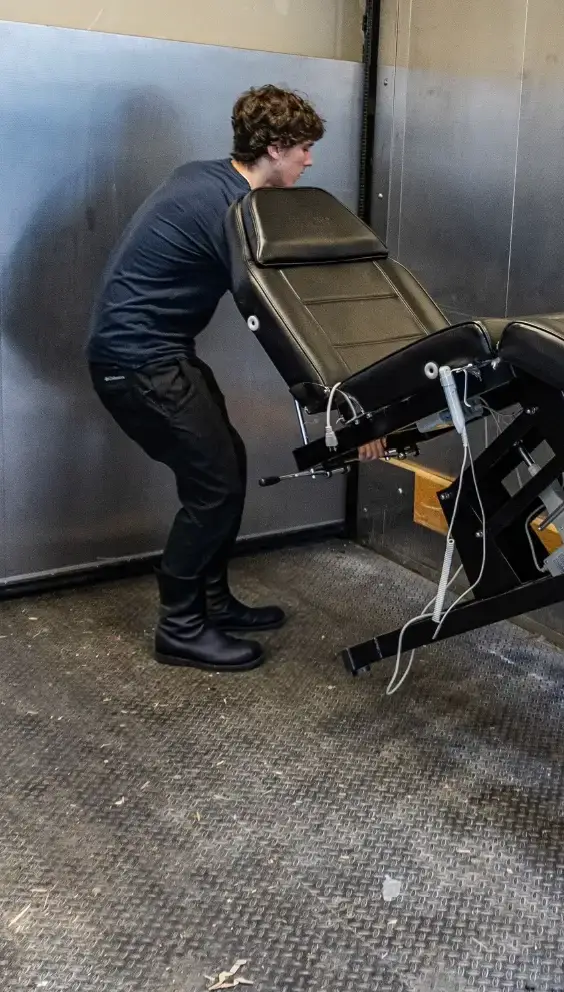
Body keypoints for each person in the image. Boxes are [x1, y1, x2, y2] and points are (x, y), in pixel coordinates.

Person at [87, 85, 385, 674]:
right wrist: (346, 409)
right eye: (303, 149)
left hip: (157, 352)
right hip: (138, 360)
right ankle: (180, 626)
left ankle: (213, 602)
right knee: (215, 485)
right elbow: (277, 321)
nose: (310, 161)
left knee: (225, 468)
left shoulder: (211, 179)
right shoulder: (232, 213)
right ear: (274, 149)